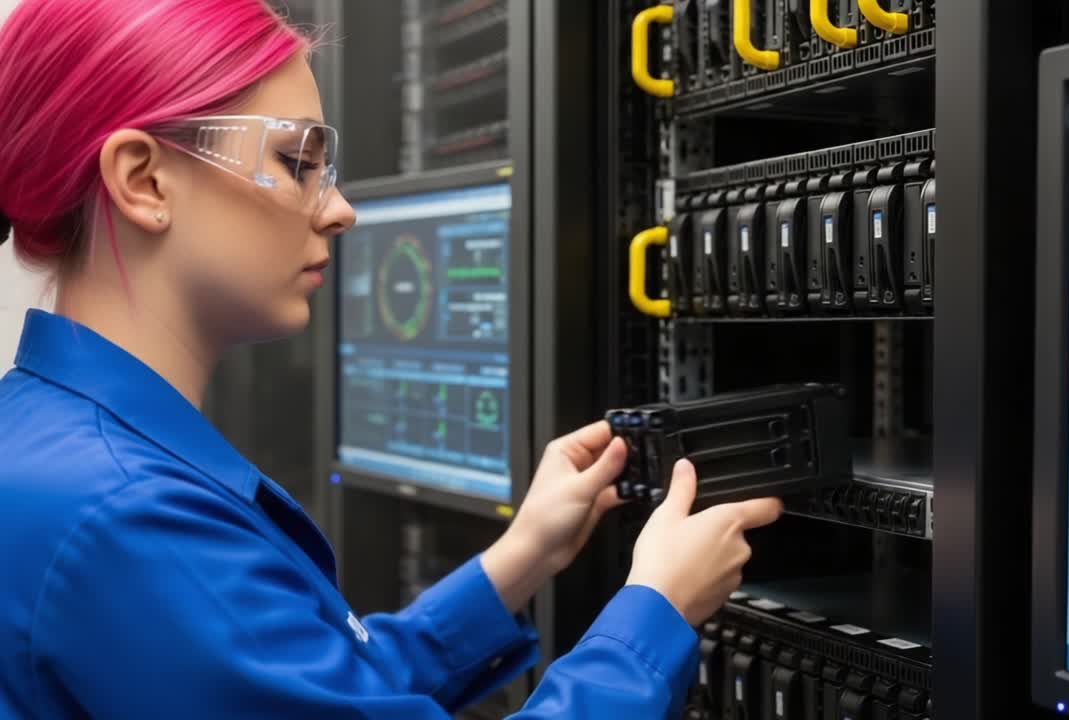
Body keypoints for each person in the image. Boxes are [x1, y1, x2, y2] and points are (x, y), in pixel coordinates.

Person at [0, 1, 785, 718]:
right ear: (143, 181)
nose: (339, 210)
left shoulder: (55, 446)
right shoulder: (125, 517)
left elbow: (315, 688)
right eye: (298, 163)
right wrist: (653, 614)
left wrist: (523, 555)